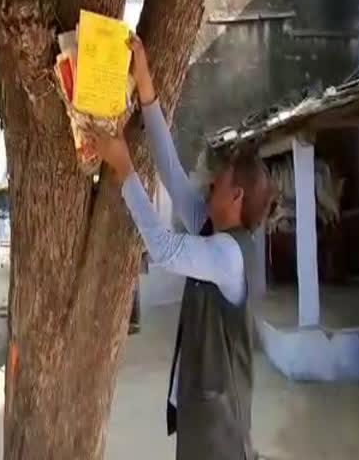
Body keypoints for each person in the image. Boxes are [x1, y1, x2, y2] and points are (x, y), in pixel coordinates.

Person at [89, 35, 276, 460]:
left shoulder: (229, 255)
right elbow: (171, 170)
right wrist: (146, 84)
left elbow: (165, 249)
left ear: (237, 199)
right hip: (200, 412)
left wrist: (124, 170)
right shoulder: (211, 226)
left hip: (220, 429)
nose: (212, 182)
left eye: (222, 180)